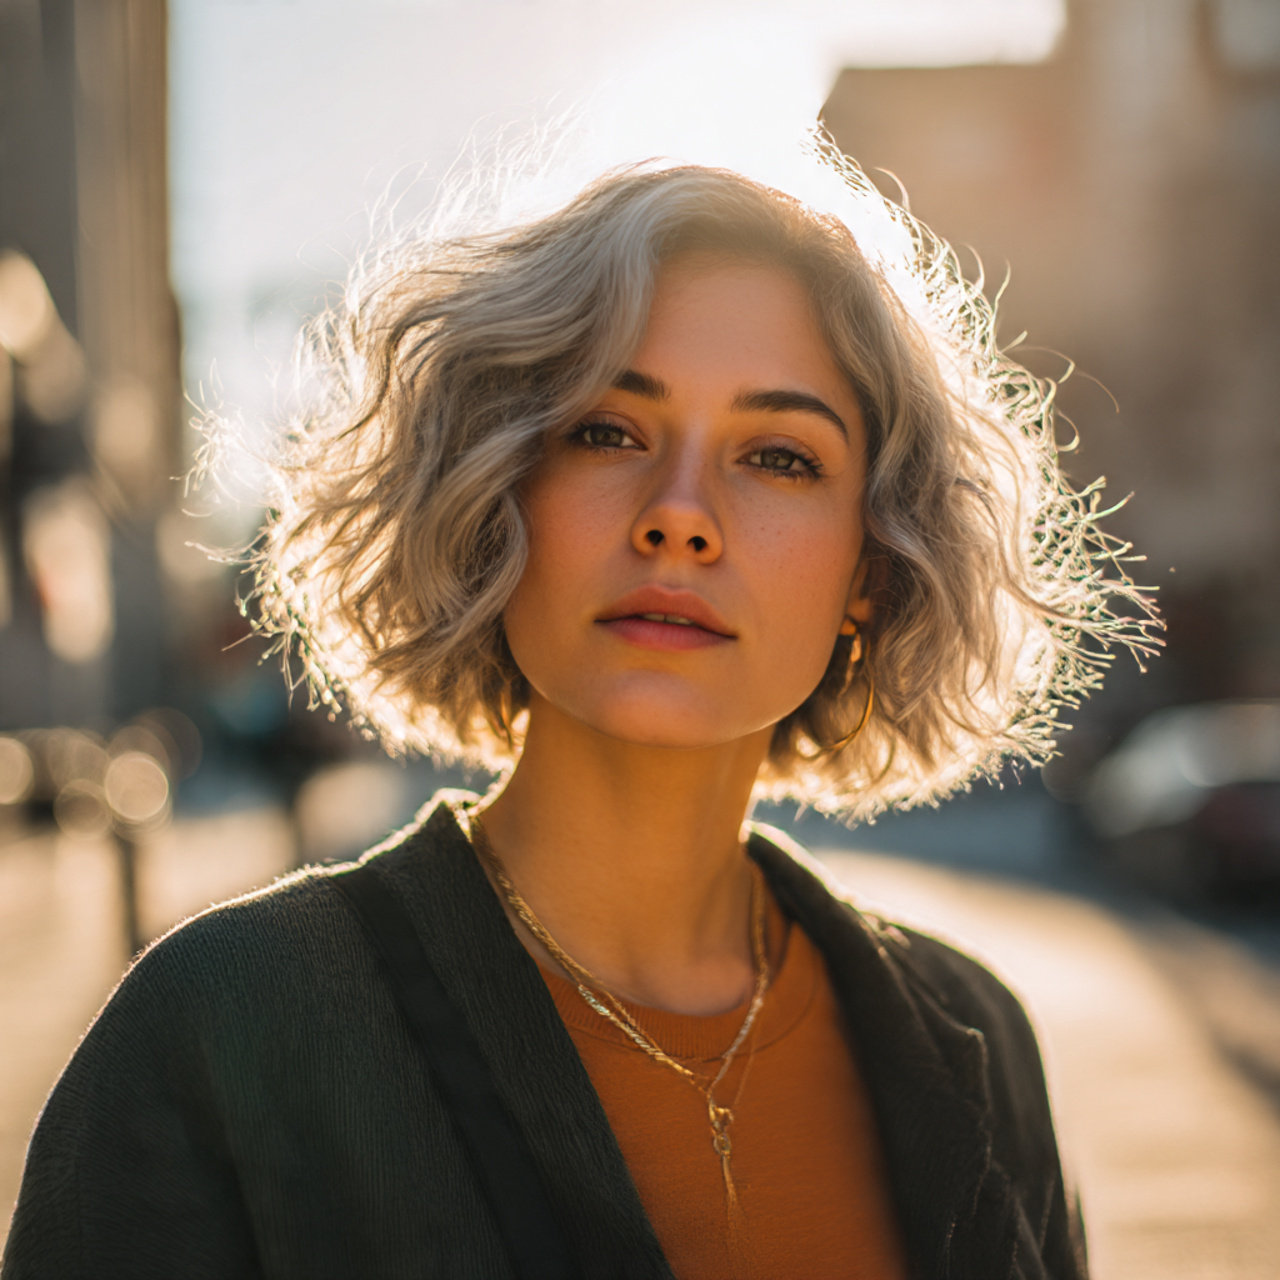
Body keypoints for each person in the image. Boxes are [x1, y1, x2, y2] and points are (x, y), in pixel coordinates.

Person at [3, 155, 1157, 1279]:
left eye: (777, 456)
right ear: (494, 494)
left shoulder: (975, 1043)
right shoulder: (217, 1027)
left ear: (873, 566)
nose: (679, 515)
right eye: (605, 430)